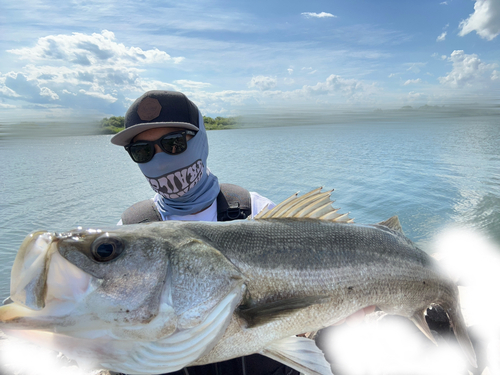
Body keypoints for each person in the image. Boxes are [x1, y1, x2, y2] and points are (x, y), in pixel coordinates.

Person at [111, 90, 299, 375]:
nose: (159, 160)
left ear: (200, 141)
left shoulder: (256, 211)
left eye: (173, 144)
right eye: (142, 151)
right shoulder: (131, 231)